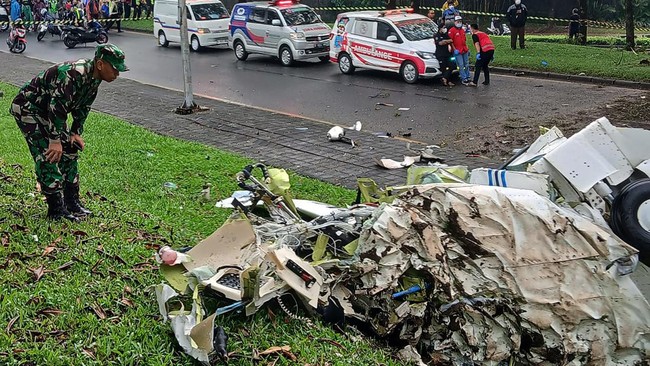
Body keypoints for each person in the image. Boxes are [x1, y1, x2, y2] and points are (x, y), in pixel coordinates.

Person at [9, 44, 129, 221]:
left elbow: (83, 107)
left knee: (70, 150)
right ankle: (56, 209)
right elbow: (56, 108)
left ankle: (71, 202)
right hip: (30, 108)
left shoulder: (94, 78)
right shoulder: (73, 73)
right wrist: (54, 140)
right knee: (49, 154)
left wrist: (75, 132)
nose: (117, 74)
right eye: (115, 69)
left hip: (51, 112)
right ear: (101, 64)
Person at [448, 15, 470, 85]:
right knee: (461, 65)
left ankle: (468, 76)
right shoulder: (452, 31)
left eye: (460, 21)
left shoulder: (462, 30)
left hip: (464, 50)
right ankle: (463, 78)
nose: (459, 23)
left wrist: (467, 48)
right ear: (454, 22)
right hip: (457, 51)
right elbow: (450, 41)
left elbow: (464, 40)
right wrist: (454, 49)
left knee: (466, 64)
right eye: (458, 21)